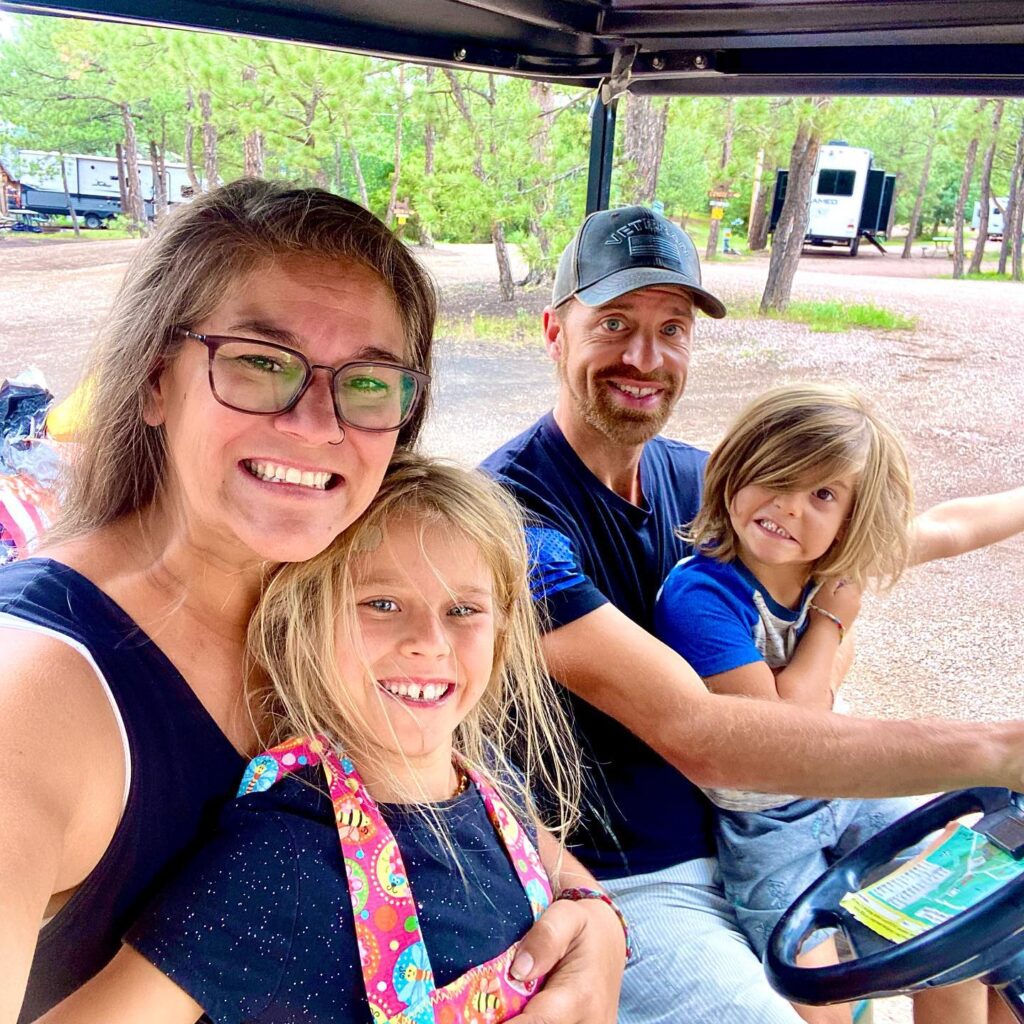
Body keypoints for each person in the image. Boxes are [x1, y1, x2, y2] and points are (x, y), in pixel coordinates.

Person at [0, 179, 625, 1024]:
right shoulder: (34, 694)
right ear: (154, 379)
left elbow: (477, 815)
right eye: (260, 363)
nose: (314, 422)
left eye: (367, 381)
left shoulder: (357, 591)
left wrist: (597, 929)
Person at [481, 204, 1024, 1024]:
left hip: (778, 823)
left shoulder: (710, 483)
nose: (644, 356)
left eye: (672, 329)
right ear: (555, 330)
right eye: (615, 323)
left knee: (978, 910)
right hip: (637, 872)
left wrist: (841, 597)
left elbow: (870, 551)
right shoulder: (508, 517)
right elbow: (706, 733)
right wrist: (996, 747)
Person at [32, 455, 629, 1024]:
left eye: (463, 610)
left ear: (503, 630)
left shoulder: (486, 777)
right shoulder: (280, 860)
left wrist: (600, 918)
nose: (429, 640)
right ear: (307, 624)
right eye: (383, 603)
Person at [655, 383, 993, 1023]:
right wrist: (830, 625)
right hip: (766, 823)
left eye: (823, 495)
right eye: (774, 477)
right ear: (734, 469)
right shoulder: (702, 594)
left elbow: (953, 527)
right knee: (819, 983)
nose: (788, 507)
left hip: (846, 788)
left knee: (962, 913)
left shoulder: (830, 563)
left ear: (849, 518)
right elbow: (786, 744)